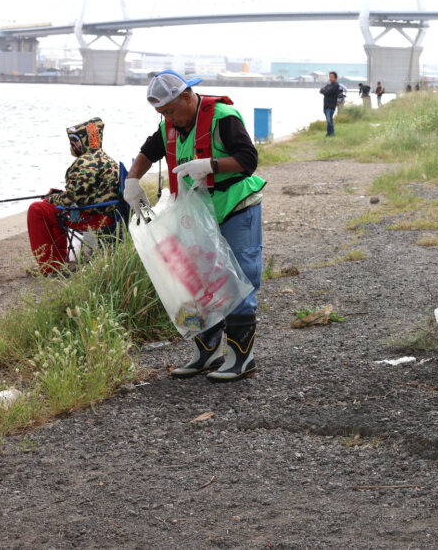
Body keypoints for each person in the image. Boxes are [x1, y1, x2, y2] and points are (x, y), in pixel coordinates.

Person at [123, 70, 267, 383]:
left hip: (235, 205)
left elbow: (248, 159)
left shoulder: (223, 117)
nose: (168, 119)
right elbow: (148, 151)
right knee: (199, 279)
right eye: (162, 113)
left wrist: (210, 165)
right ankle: (207, 351)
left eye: (171, 110)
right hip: (198, 213)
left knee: (239, 276)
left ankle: (242, 358)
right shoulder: (170, 125)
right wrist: (132, 178)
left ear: (188, 96)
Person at [27, 118, 119, 274]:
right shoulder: (107, 159)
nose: (70, 147)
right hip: (108, 215)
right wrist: (58, 195)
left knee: (37, 209)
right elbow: (85, 193)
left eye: (71, 143)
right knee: (50, 207)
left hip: (93, 218)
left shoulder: (84, 163)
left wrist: (51, 198)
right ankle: (57, 262)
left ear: (80, 143)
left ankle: (50, 266)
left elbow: (69, 199)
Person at [319, 71, 342, 136]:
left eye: (332, 77)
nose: (330, 78)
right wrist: (325, 91)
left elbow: (327, 92)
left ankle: (330, 134)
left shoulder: (336, 85)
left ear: (335, 78)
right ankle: (330, 133)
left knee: (329, 120)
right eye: (330, 77)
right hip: (325, 105)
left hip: (331, 106)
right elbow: (321, 90)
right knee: (329, 121)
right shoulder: (328, 85)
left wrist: (325, 91)